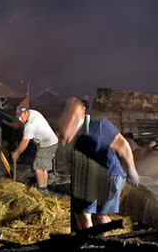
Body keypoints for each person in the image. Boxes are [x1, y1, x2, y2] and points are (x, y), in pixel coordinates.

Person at [57, 98, 141, 230]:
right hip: (88, 177)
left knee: (100, 215)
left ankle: (102, 242)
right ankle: (89, 243)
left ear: (83, 111)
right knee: (82, 214)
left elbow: (123, 145)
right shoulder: (71, 132)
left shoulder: (100, 127)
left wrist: (131, 168)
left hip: (109, 176)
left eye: (73, 112)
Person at [11, 105, 59, 194]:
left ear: (25, 113)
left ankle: (42, 191)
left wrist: (17, 152)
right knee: (43, 167)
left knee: (38, 168)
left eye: (21, 117)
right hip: (50, 142)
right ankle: (44, 188)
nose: (20, 120)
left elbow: (25, 142)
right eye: (18, 118)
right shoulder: (33, 112)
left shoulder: (30, 125)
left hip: (47, 144)